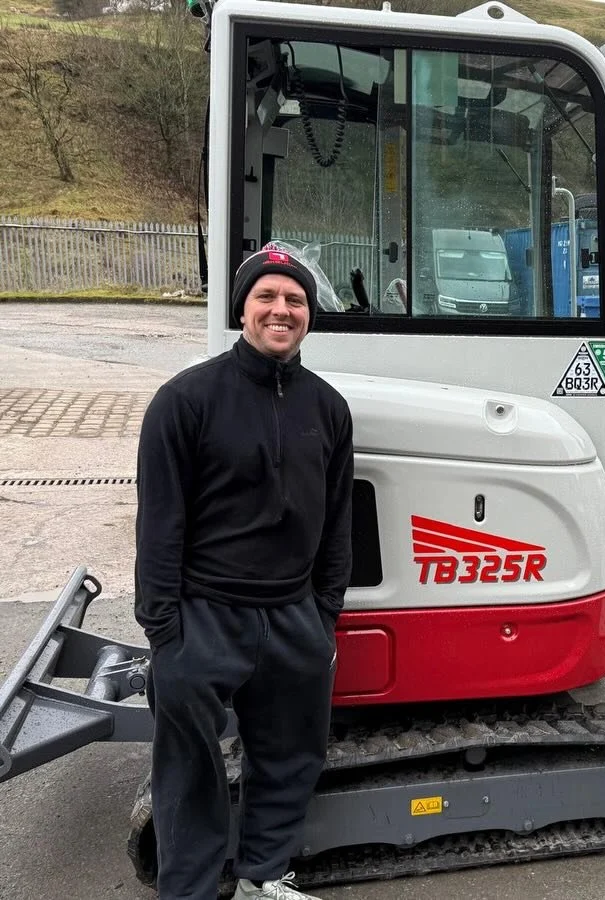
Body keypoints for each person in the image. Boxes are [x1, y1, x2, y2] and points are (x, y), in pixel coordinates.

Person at [134, 247, 354, 900]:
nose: (281, 310)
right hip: (204, 617)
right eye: (267, 297)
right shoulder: (184, 401)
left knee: (290, 762)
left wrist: (324, 615)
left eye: (294, 300)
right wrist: (166, 635)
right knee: (190, 774)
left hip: (293, 620)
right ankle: (194, 891)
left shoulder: (329, 409)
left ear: (308, 316)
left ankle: (265, 877)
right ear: (242, 309)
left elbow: (337, 520)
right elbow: (159, 526)